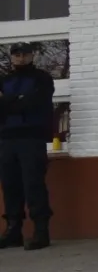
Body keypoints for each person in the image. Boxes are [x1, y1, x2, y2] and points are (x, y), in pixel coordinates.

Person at [0, 42, 55, 251]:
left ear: (32, 56)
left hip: (32, 138)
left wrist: (7, 101)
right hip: (6, 139)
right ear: (11, 57)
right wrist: (16, 101)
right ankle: (13, 230)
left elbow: (35, 103)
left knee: (33, 184)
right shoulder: (5, 80)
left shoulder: (42, 78)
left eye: (24, 54)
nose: (20, 58)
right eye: (16, 54)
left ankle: (41, 232)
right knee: (10, 185)